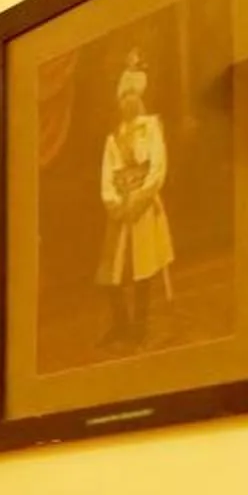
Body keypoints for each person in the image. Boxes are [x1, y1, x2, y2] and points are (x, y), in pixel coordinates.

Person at [96, 50, 175, 348]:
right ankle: (120, 324)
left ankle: (139, 327)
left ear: (140, 97)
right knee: (111, 272)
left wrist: (140, 198)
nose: (128, 100)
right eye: (123, 95)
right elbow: (107, 173)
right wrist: (114, 202)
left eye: (133, 94)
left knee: (143, 268)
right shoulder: (113, 137)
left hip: (143, 205)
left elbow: (158, 166)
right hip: (120, 208)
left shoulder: (152, 128)